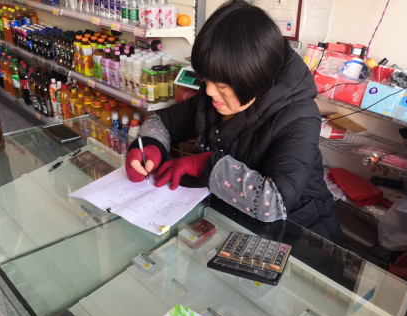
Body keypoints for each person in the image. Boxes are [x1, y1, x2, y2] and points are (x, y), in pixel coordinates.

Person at [125, 0, 342, 245]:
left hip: (301, 237)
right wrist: (149, 145)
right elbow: (161, 121)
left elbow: (273, 202)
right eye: (206, 79)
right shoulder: (213, 99)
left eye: (221, 85)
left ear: (254, 78)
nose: (209, 91)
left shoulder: (300, 117)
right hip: (235, 225)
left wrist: (203, 165)